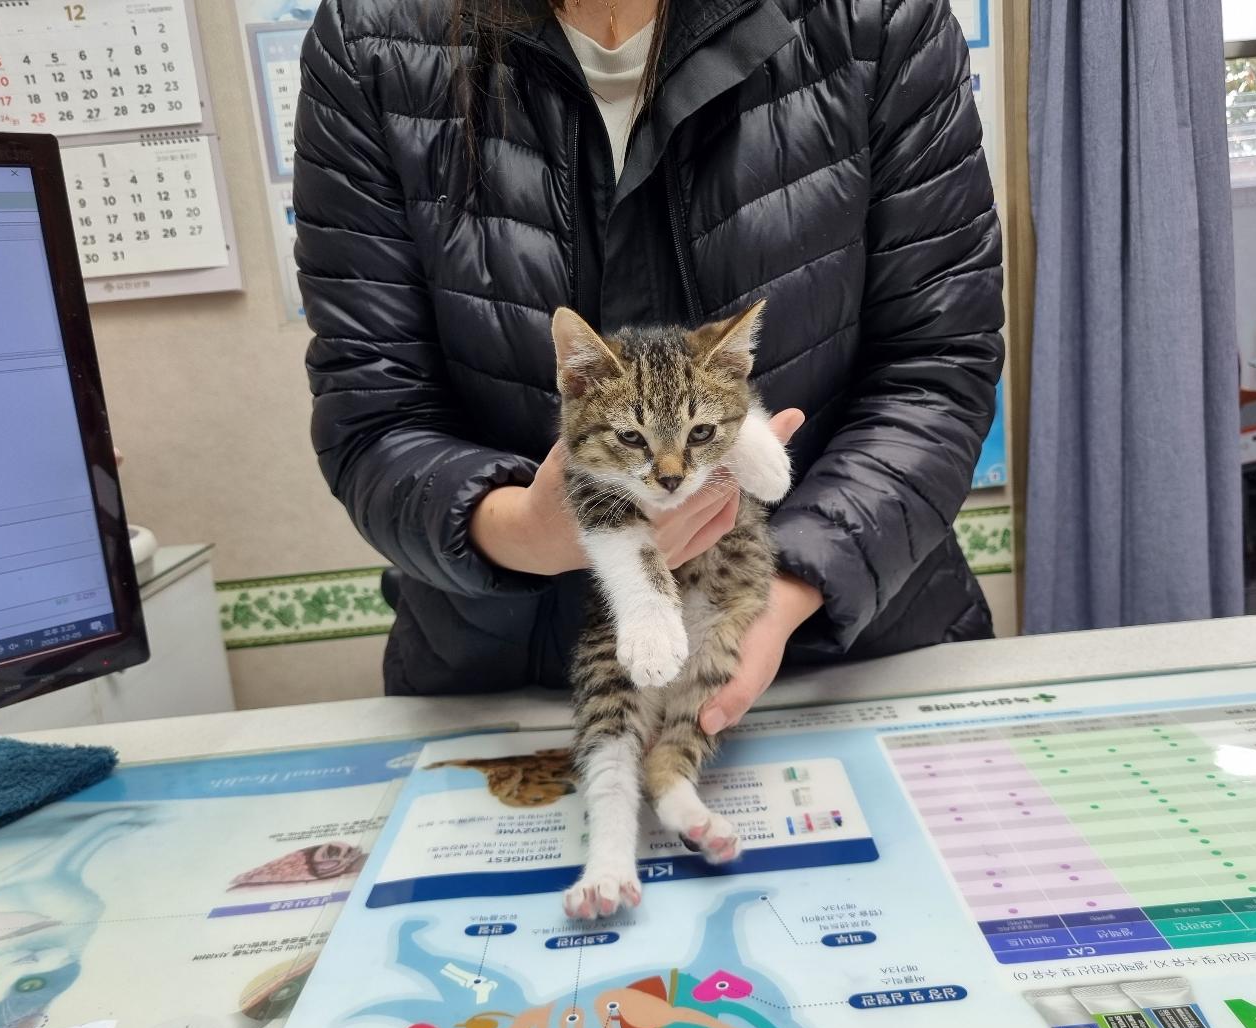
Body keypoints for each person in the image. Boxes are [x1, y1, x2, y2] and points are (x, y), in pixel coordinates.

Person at [293, 0, 1004, 730]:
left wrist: (780, 593)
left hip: (845, 646)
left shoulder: (873, 17)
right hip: (518, 680)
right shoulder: (373, 38)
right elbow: (372, 414)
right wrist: (518, 531)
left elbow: (937, 369)